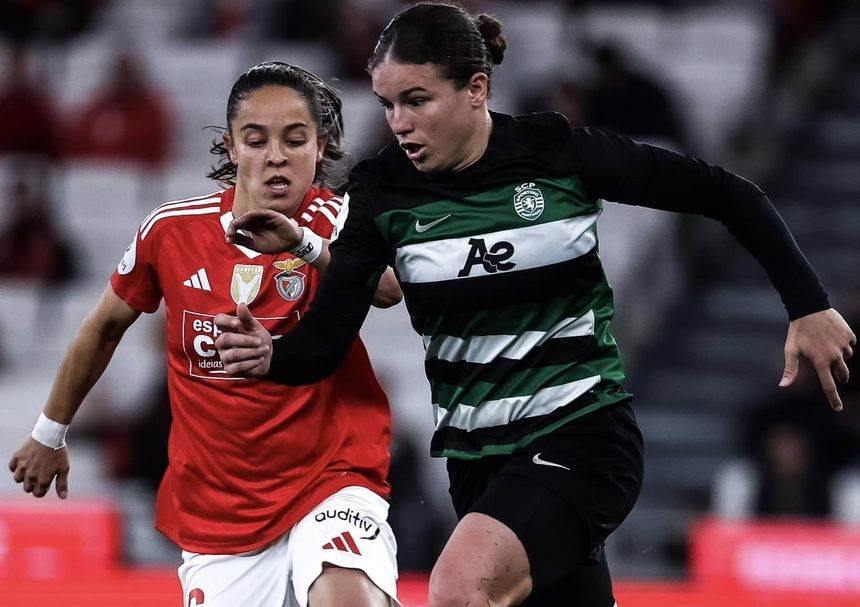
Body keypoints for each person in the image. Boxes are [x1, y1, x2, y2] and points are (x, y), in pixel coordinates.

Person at [213, 4, 857, 607]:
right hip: (477, 465)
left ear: (476, 90)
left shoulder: (554, 154)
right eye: (387, 105)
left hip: (581, 435)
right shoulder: (382, 192)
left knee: (459, 586)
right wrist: (270, 355)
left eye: (416, 100)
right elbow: (325, 341)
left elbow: (729, 193)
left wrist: (807, 305)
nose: (399, 122)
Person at [8, 61, 404, 607]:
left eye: (295, 139)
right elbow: (103, 327)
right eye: (256, 139)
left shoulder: (336, 220)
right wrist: (50, 432)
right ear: (232, 147)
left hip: (330, 472)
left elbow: (386, 288)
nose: (276, 156)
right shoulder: (170, 231)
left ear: (320, 147)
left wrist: (302, 245)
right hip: (222, 505)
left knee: (348, 597)